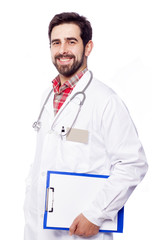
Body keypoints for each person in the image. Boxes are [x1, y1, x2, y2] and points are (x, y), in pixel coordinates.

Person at [24, 12, 148, 240]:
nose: (63, 50)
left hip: (81, 229)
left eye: (71, 42)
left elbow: (133, 163)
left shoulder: (106, 101)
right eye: (56, 42)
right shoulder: (46, 96)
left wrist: (96, 215)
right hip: (37, 227)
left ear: (87, 47)